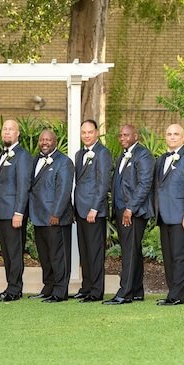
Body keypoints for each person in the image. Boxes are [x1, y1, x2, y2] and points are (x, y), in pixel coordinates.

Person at [103, 125, 154, 305]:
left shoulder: (143, 155)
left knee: (129, 252)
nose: (122, 138)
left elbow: (144, 184)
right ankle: (136, 291)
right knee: (133, 250)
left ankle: (124, 293)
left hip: (133, 212)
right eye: (120, 135)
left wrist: (130, 208)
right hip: (121, 210)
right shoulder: (123, 154)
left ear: (135, 136)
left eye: (126, 135)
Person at [154, 124, 184, 306]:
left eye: (176, 134)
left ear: (183, 137)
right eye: (169, 134)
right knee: (168, 258)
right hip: (164, 216)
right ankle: (177, 294)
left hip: (183, 216)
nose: (172, 137)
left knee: (180, 257)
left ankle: (174, 296)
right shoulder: (160, 160)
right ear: (165, 137)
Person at [0, 120, 32, 302]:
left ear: (17, 134)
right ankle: (9, 286)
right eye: (5, 129)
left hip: (14, 212)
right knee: (6, 252)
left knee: (15, 252)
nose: (7, 132)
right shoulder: (2, 155)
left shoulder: (22, 156)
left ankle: (15, 289)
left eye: (11, 129)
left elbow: (23, 186)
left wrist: (19, 213)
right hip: (1, 211)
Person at [27, 130, 74, 303]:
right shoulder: (34, 160)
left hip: (55, 217)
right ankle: (48, 287)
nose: (44, 142)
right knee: (45, 255)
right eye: (42, 140)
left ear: (55, 141)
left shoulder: (64, 162)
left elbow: (64, 189)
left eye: (48, 140)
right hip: (38, 216)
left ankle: (60, 292)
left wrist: (56, 213)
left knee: (58, 255)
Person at [73, 119, 113, 302]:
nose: (86, 135)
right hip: (80, 209)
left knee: (95, 253)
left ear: (96, 133)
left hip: (93, 211)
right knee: (85, 251)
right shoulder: (79, 154)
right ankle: (86, 286)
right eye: (84, 133)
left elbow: (103, 183)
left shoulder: (102, 153)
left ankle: (96, 291)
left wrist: (94, 208)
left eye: (90, 132)